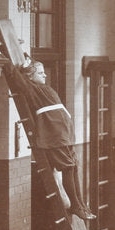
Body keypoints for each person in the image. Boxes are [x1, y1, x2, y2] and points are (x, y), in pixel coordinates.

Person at [17, 59, 95, 221]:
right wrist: (4, 58)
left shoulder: (43, 88)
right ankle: (75, 205)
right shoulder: (31, 88)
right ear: (30, 77)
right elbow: (17, 78)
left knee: (73, 167)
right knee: (67, 167)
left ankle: (80, 204)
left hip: (64, 134)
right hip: (55, 135)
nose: (45, 74)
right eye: (40, 72)